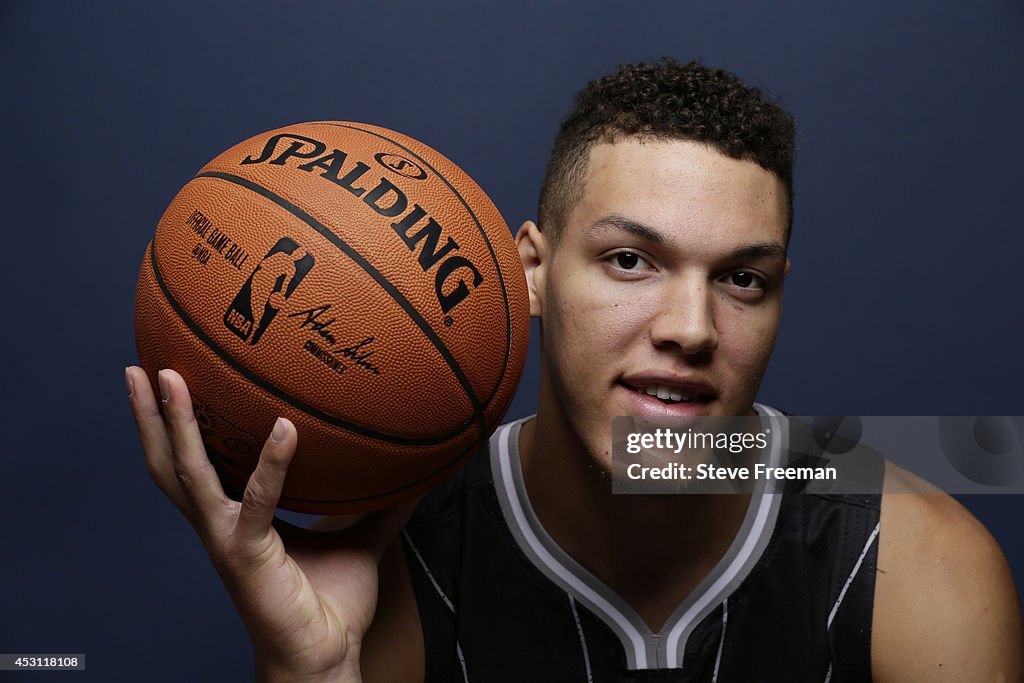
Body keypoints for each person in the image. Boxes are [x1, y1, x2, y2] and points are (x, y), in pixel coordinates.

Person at [126, 59, 1023, 681]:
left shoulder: (915, 562)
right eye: (631, 260)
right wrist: (309, 666)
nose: (691, 328)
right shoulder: (397, 560)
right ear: (530, 272)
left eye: (742, 279)